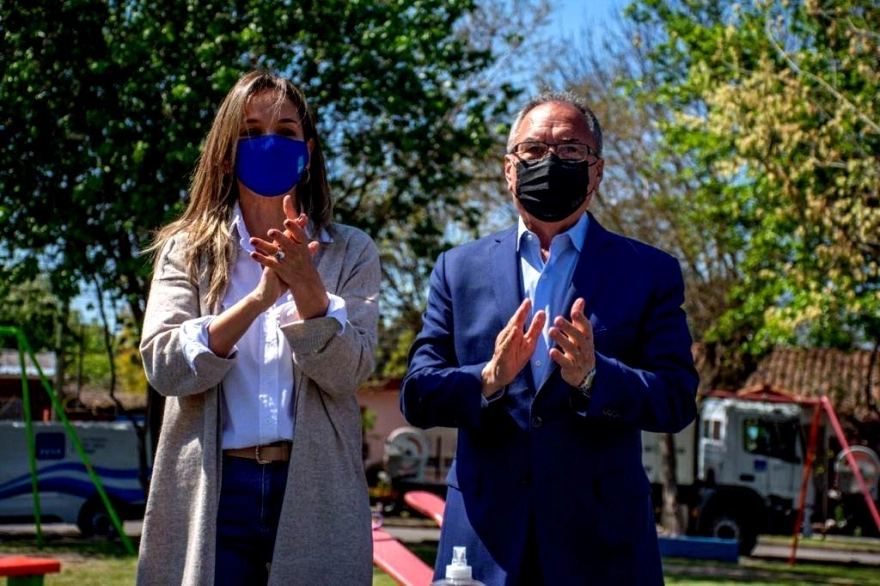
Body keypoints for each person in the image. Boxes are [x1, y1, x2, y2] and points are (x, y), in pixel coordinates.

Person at [401, 91, 699, 585]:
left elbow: (676, 399)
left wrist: (594, 378)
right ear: (509, 169)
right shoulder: (458, 269)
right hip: (483, 541)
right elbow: (418, 392)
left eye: (570, 151)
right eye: (533, 150)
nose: (551, 162)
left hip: (602, 547)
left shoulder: (650, 272)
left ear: (597, 172)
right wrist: (488, 379)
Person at [137, 71, 380, 585]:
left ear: (307, 152)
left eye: (286, 131)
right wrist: (259, 299)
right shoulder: (186, 248)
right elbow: (164, 366)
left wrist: (307, 287)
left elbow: (350, 371)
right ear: (226, 153)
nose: (268, 142)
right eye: (250, 132)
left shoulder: (351, 250)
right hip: (215, 488)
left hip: (313, 486)